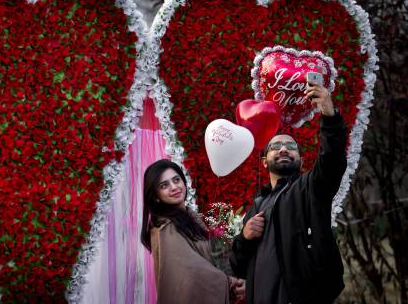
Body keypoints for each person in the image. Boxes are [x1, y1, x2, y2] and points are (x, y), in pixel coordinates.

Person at [229, 82, 347, 304]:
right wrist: (244, 237)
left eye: (291, 147)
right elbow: (238, 264)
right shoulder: (258, 205)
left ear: (301, 160)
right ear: (264, 162)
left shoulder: (309, 188)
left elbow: (332, 160)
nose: (283, 149)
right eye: (276, 147)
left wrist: (329, 115)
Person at [141, 159, 245, 303]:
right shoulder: (165, 228)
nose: (174, 187)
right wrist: (230, 282)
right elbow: (191, 275)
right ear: (156, 196)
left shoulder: (190, 216)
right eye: (164, 185)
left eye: (176, 180)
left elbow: (208, 257)